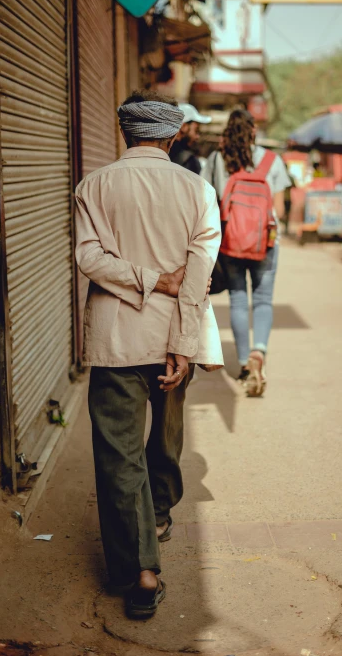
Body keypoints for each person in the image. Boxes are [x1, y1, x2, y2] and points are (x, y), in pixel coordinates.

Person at [75, 89, 222, 618]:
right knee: (166, 435)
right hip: (172, 339)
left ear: (124, 131)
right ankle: (158, 512)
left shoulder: (94, 186)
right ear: (173, 134)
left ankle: (140, 569)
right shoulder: (198, 191)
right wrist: (184, 344)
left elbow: (88, 257)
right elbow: (199, 277)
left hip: (116, 340)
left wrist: (142, 279)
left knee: (119, 456)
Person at [202, 109, 291, 396]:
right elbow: (278, 210)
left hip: (231, 241)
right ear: (254, 131)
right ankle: (259, 353)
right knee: (263, 300)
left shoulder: (217, 159)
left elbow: (207, 197)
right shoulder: (271, 160)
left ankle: (242, 365)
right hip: (265, 242)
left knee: (238, 300)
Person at [169, 102, 212, 174]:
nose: (197, 137)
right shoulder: (190, 162)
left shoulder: (160, 153)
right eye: (196, 130)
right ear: (184, 127)